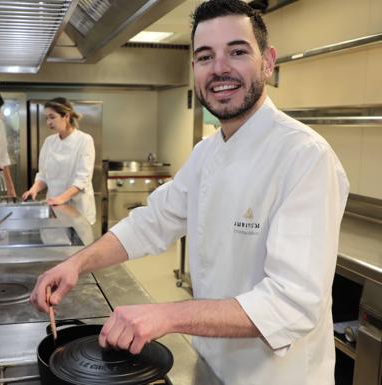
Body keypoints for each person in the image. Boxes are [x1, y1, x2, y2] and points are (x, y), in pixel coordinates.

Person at [29, 1, 349, 384]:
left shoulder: (305, 157)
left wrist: (167, 315)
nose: (219, 69)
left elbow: (293, 304)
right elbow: (151, 222)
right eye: (204, 56)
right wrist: (76, 265)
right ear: (194, 69)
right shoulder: (206, 153)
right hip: (210, 365)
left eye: (237, 51)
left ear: (268, 62)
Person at [22, 98, 96, 225]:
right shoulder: (49, 142)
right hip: (54, 208)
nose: (49, 122)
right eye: (47, 118)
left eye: (52, 117)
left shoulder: (84, 140)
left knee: (79, 244)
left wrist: (61, 199)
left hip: (78, 210)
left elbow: (82, 179)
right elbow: (43, 175)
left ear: (66, 116)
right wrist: (33, 190)